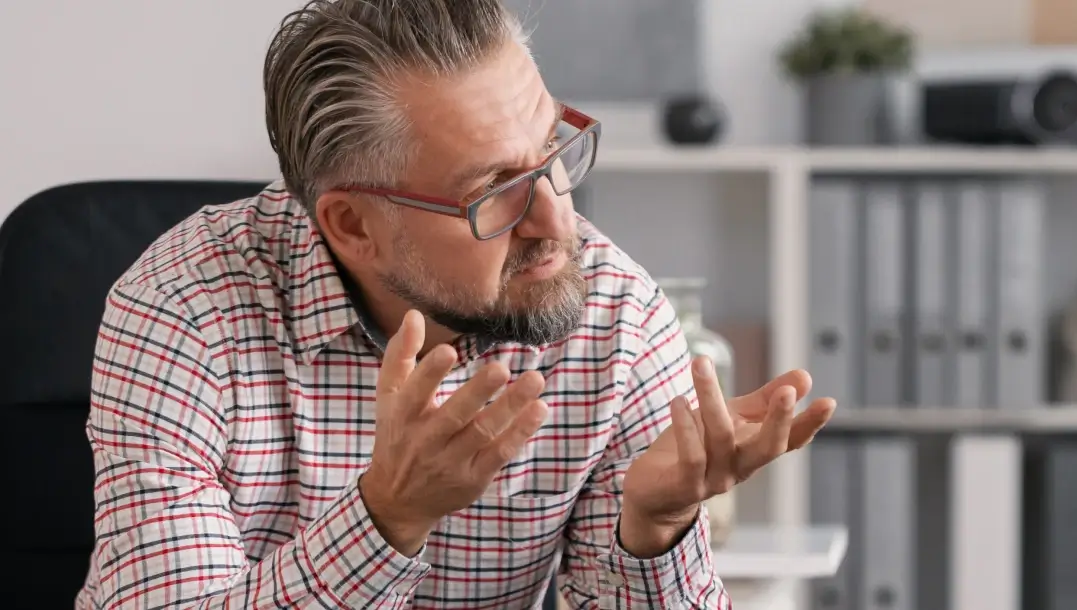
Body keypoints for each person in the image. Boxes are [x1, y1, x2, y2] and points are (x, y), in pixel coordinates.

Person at [75, 1, 837, 608]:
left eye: (553, 152)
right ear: (353, 225)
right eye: (495, 193)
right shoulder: (182, 313)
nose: (556, 222)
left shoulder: (615, 315)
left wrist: (658, 527)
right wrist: (385, 518)